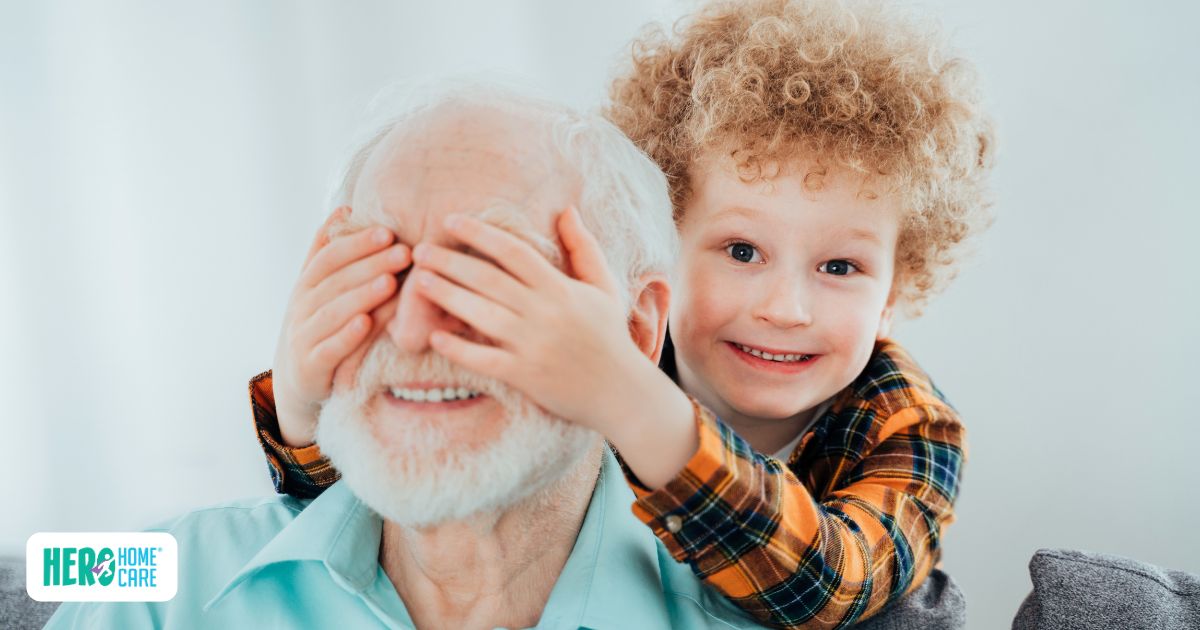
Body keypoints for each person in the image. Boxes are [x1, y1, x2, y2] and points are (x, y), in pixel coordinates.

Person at [252, 0, 994, 627]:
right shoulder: (621, 340)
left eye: (840, 268)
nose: (784, 308)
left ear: (893, 295)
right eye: (741, 251)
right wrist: (303, 404)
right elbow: (382, 504)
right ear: (659, 255)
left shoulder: (908, 422)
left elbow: (829, 587)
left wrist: (622, 395)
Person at [44, 83, 772, 630]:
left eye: (488, 273)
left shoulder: (752, 608)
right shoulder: (146, 588)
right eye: (381, 266)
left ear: (638, 331)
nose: (412, 330)